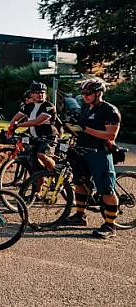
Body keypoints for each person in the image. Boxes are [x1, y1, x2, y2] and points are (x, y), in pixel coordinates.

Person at [63, 78, 121, 239]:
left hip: (99, 153)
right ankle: (79, 215)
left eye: (88, 93)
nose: (85, 96)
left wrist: (85, 129)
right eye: (83, 93)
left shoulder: (110, 110)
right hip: (82, 151)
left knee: (107, 190)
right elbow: (80, 129)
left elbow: (110, 135)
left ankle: (110, 225)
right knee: (79, 183)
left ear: (98, 93)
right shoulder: (86, 108)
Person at [7, 81, 58, 171]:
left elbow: (36, 122)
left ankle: (55, 172)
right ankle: (39, 176)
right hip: (34, 136)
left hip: (48, 137)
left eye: (42, 93)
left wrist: (18, 125)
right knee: (30, 158)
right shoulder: (28, 106)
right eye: (37, 93)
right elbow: (15, 118)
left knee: (41, 155)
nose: (40, 95)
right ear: (32, 94)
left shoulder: (49, 106)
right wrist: (10, 129)